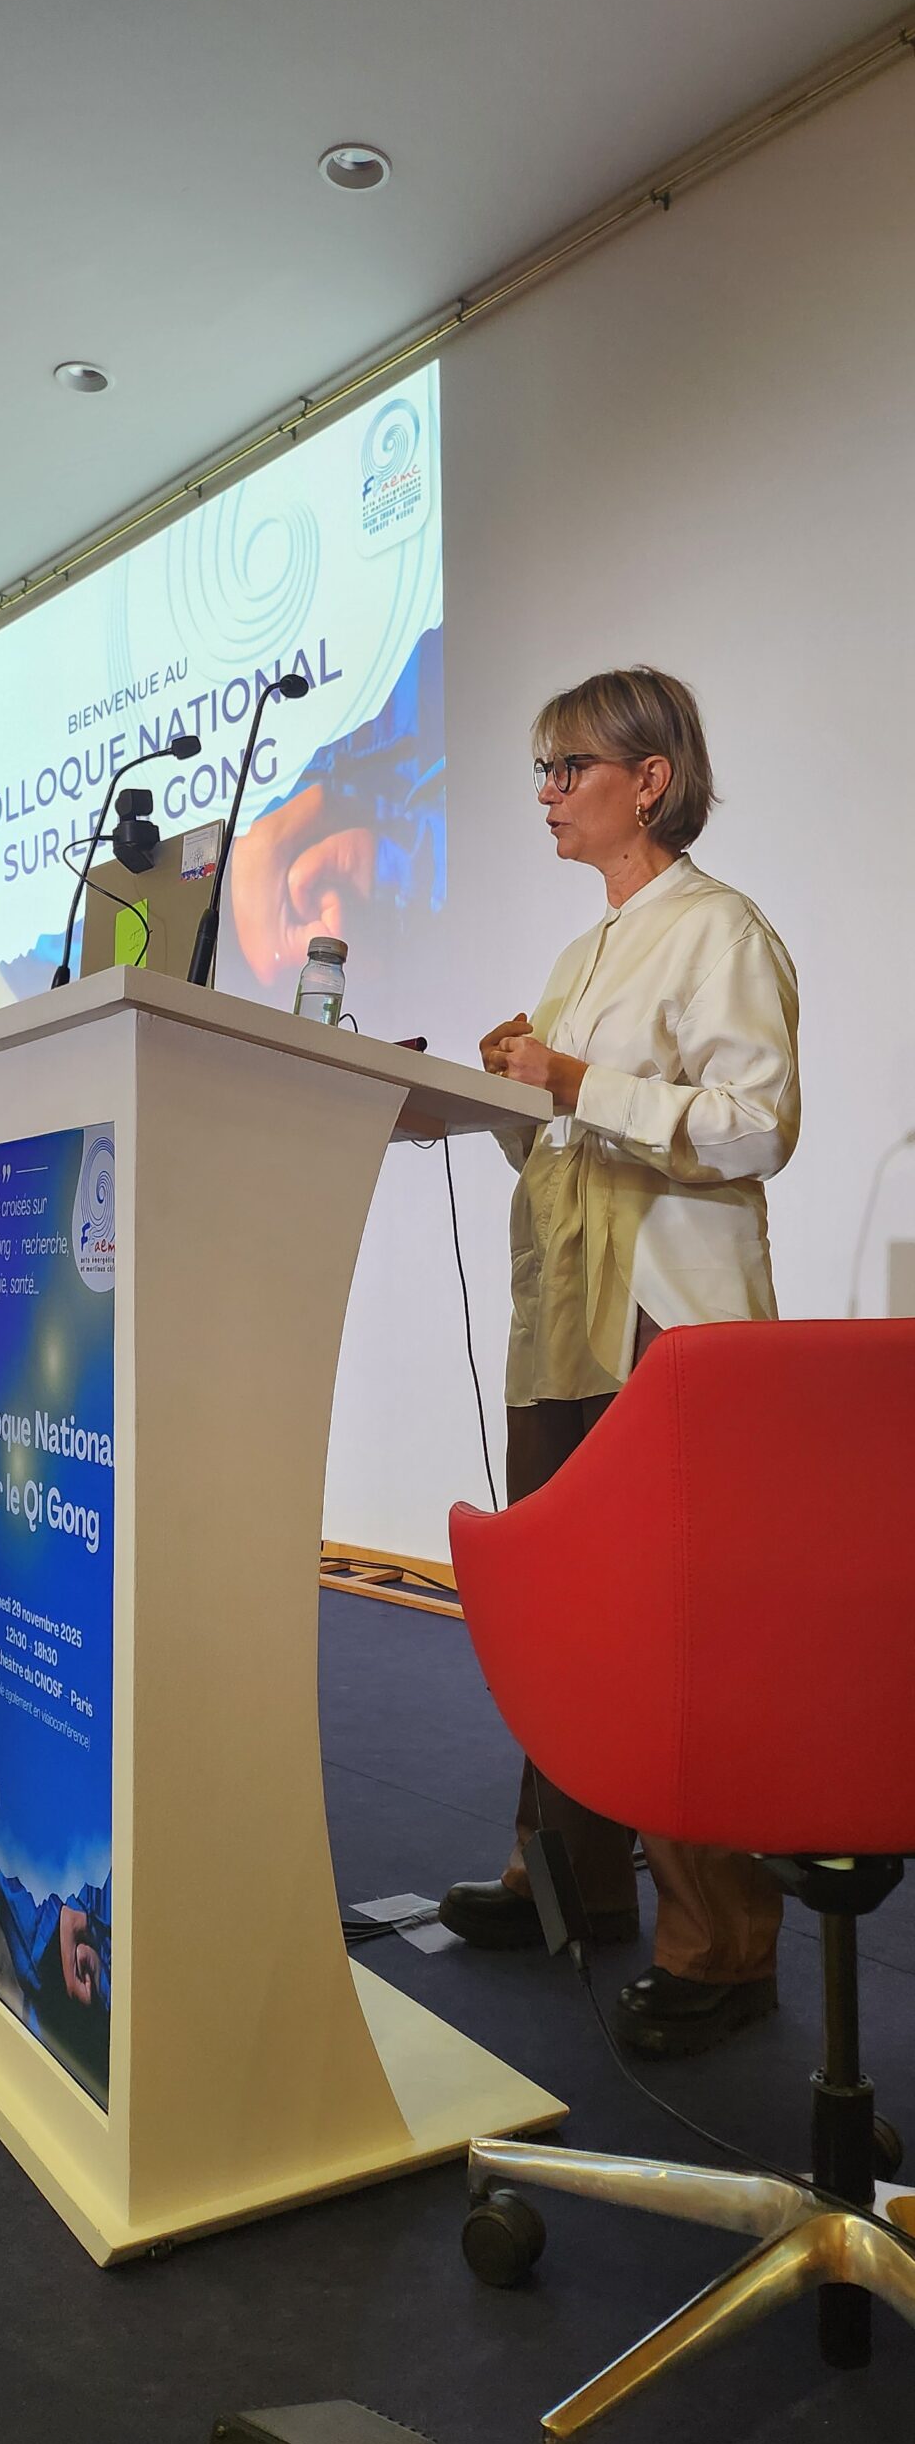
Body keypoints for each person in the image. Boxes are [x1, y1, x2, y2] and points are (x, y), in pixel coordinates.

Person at [439, 665, 800, 2059]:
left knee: (674, 1625)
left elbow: (757, 1126)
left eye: (566, 768)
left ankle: (723, 1944)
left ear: (650, 780)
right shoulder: (581, 956)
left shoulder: (719, 929)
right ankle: (571, 1886)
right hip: (567, 1323)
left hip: (664, 1322)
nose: (545, 793)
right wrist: (504, 1099)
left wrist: (575, 1083)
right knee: (565, 1606)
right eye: (539, 770)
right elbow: (573, 1146)